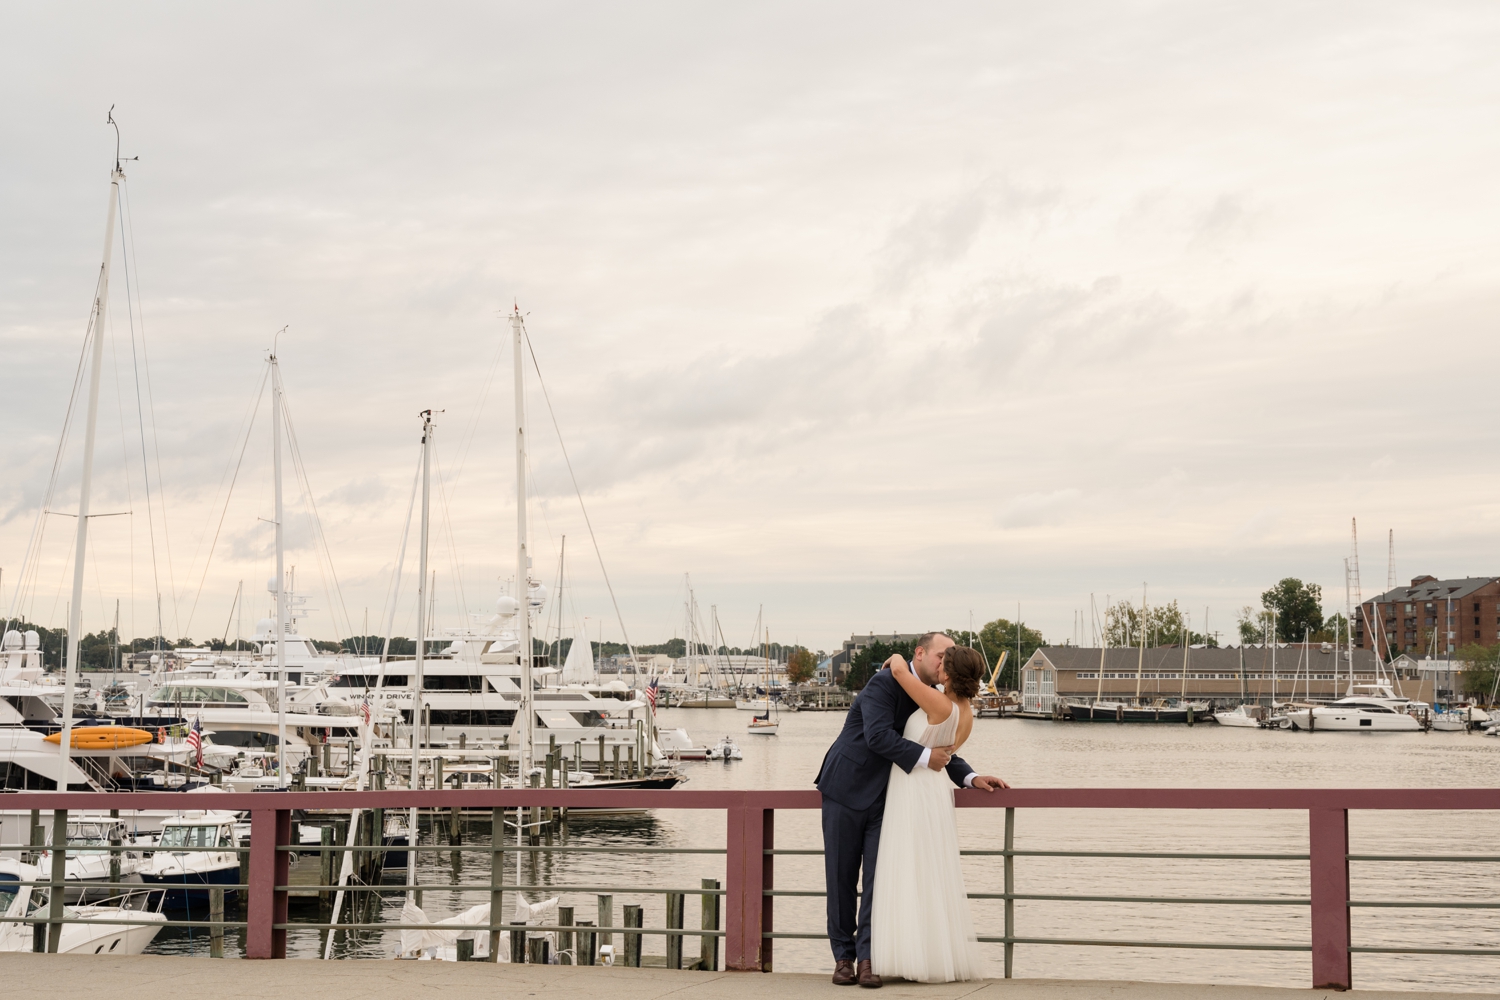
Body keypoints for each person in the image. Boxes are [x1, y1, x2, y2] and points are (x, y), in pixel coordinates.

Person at [814, 632, 1008, 987]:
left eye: (949, 657)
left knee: (878, 880)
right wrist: (927, 758)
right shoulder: (883, 682)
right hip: (847, 786)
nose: (943, 662)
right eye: (940, 654)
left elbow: (939, 744)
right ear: (920, 653)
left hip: (891, 798)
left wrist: (970, 776)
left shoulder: (931, 694)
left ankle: (869, 960)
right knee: (841, 877)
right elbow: (877, 737)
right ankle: (843, 958)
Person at [869, 645, 988, 983]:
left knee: (908, 867)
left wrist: (894, 658)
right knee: (930, 871)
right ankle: (931, 955)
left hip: (913, 789)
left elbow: (898, 672)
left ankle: (909, 957)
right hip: (935, 790)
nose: (938, 668)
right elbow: (946, 754)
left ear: (948, 674)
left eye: (943, 665)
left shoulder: (939, 703)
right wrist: (971, 777)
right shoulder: (966, 713)